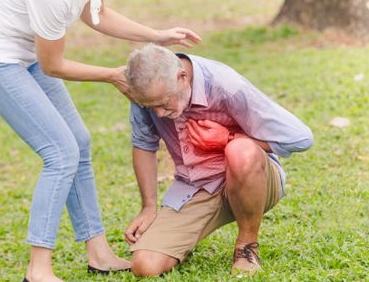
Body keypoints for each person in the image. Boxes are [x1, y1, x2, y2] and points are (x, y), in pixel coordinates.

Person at [0, 0, 201, 281]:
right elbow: (53, 65)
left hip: (26, 55)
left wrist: (157, 35)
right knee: (60, 153)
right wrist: (113, 75)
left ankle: (99, 253)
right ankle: (38, 269)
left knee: (79, 142)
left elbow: (96, 14)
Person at [122, 44, 313, 276]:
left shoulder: (225, 84)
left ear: (182, 77)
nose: (159, 113)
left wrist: (227, 137)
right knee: (145, 266)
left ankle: (246, 248)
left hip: (253, 178)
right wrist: (148, 207)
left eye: (165, 103)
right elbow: (143, 143)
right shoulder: (146, 92)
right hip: (196, 188)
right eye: (151, 107)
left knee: (240, 150)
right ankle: (183, 239)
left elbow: (300, 138)